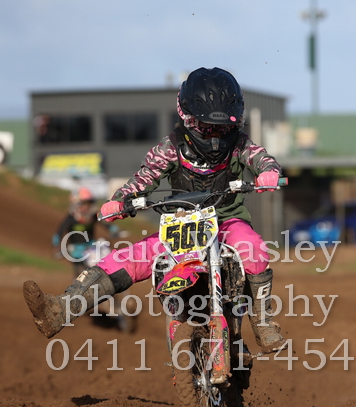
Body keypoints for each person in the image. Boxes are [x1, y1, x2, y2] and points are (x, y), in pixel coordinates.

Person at [23, 67, 286, 353]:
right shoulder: (171, 147)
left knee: (253, 249)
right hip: (182, 225)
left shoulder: (239, 143)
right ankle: (59, 310)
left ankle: (263, 323)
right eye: (206, 126)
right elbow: (144, 178)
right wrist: (121, 200)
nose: (214, 134)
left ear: (235, 120)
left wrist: (268, 173)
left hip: (227, 222)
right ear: (187, 118)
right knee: (128, 258)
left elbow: (262, 158)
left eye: (222, 127)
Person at [52, 186, 119, 277]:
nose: (87, 207)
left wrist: (114, 229)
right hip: (77, 249)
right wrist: (56, 246)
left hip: (91, 246)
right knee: (81, 272)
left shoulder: (92, 216)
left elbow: (105, 223)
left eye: (89, 204)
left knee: (104, 252)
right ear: (76, 204)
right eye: (84, 204)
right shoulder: (71, 218)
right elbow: (59, 232)